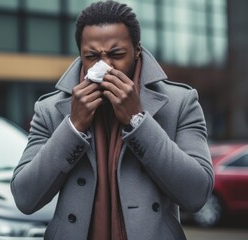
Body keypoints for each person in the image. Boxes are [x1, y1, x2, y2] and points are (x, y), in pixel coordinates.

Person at [11, 1, 214, 240]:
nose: (105, 66)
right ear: (80, 54)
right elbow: (25, 198)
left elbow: (197, 193)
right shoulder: (50, 109)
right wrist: (73, 127)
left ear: (137, 50)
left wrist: (138, 121)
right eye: (92, 56)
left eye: (117, 54)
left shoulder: (180, 102)